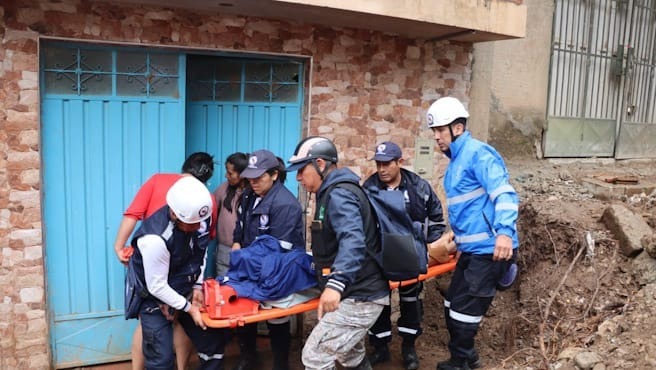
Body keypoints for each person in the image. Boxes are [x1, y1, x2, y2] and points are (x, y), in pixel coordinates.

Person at [426, 97, 519, 370]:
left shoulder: (478, 154)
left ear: (457, 127)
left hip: (491, 251)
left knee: (464, 313)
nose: (436, 137)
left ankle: (460, 362)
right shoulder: (456, 162)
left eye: (440, 130)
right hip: (472, 252)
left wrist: (504, 233)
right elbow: (469, 211)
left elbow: (504, 193)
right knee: (452, 305)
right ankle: (468, 359)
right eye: (434, 131)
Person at [286, 136, 390, 370]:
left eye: (302, 170)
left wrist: (336, 284)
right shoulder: (331, 192)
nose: (298, 177)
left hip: (360, 295)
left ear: (320, 164)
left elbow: (353, 240)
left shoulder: (339, 194)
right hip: (357, 292)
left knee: (315, 356)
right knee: (349, 355)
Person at [113, 152, 215, 370]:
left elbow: (201, 249)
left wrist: (196, 285)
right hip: (154, 294)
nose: (198, 227)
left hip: (181, 284)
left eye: (201, 222)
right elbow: (157, 286)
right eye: (192, 224)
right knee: (160, 357)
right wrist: (189, 308)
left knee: (196, 335)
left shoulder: (196, 213)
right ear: (175, 215)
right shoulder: (154, 239)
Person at [364, 141, 446, 370]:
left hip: (412, 257)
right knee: (379, 304)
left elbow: (436, 218)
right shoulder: (369, 188)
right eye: (378, 164)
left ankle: (408, 348)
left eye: (387, 164)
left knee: (411, 303)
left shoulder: (419, 187)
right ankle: (380, 348)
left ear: (399, 162)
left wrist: (429, 247)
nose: (382, 169)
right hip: (381, 258)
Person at [231, 149, 305, 370]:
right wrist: (236, 243)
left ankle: (281, 365)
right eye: (250, 177)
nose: (253, 182)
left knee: (276, 318)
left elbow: (277, 250)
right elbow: (241, 225)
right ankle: (248, 357)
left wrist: (244, 259)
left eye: (259, 177)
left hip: (277, 269)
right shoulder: (248, 195)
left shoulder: (285, 204)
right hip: (250, 265)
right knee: (245, 311)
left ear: (274, 174)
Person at [213, 152, 249, 277]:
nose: (226, 176)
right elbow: (211, 211)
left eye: (230, 173)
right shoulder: (223, 189)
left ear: (243, 174)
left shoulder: (253, 192)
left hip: (247, 252)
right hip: (225, 250)